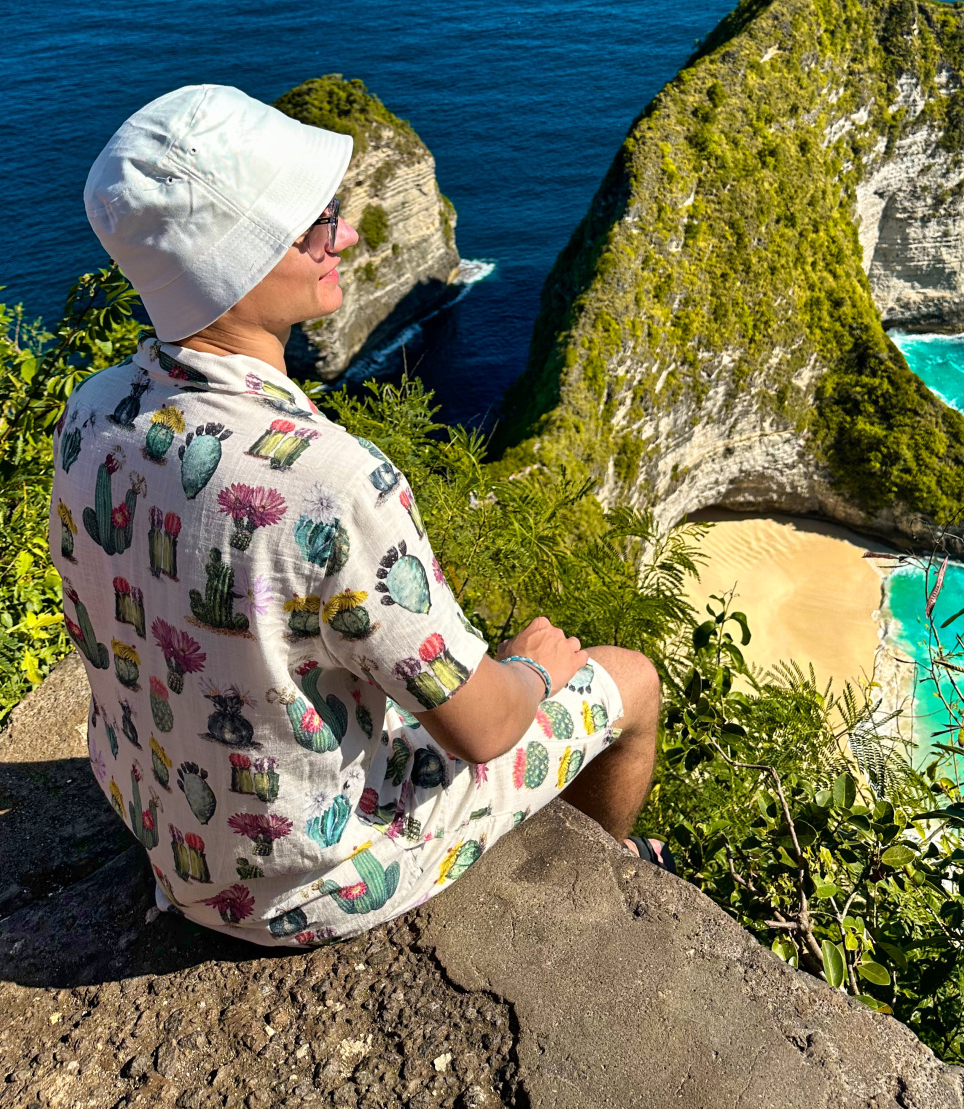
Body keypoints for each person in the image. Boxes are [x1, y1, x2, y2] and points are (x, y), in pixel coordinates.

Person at [49, 83, 661, 948]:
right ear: (240, 263)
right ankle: (617, 867)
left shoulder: (92, 414)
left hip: (157, 815)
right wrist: (529, 672)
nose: (341, 237)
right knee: (627, 678)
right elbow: (483, 729)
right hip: (302, 884)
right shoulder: (333, 483)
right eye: (311, 228)